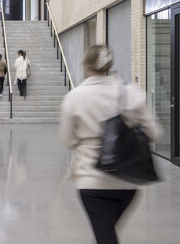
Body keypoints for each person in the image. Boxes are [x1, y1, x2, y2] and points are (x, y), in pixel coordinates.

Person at [60, 45, 159, 244]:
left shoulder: (74, 97)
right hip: (128, 181)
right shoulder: (131, 93)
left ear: (86, 66)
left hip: (92, 180)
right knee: (105, 233)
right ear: (108, 66)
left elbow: (67, 141)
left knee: (104, 235)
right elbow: (155, 133)